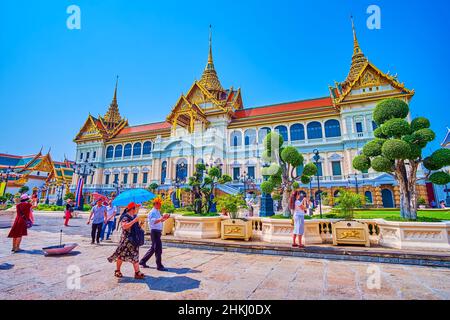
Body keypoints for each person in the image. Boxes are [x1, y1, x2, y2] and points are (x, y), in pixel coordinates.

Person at [107, 202, 145, 279]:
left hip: (134, 240)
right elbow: (124, 226)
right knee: (121, 256)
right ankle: (117, 270)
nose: (137, 209)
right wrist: (134, 221)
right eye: (136, 208)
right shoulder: (125, 217)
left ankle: (137, 272)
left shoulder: (134, 216)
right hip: (126, 241)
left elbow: (135, 228)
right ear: (132, 209)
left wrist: (140, 224)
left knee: (135, 256)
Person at [139, 197, 170, 271]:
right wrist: (162, 218)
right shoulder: (152, 212)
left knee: (153, 248)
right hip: (154, 231)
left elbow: (159, 221)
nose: (160, 205)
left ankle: (142, 261)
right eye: (159, 204)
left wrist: (164, 218)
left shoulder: (157, 211)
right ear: (155, 204)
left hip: (157, 231)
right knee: (158, 249)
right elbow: (154, 221)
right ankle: (159, 266)